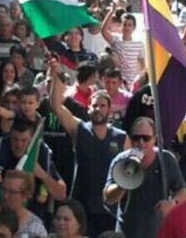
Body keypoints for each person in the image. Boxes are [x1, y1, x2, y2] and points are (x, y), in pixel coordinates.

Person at [50, 62, 130, 237]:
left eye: (102, 106)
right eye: (94, 105)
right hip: (81, 207)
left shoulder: (122, 137)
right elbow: (56, 106)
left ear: (109, 110)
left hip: (109, 207)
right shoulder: (79, 130)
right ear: (88, 107)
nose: (98, 109)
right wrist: (56, 76)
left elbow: (129, 174)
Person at [103, 117, 186, 238]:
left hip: (159, 231)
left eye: (146, 138)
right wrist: (122, 182)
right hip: (128, 231)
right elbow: (108, 198)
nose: (141, 143)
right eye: (136, 138)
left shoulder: (166, 160)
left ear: (154, 139)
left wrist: (173, 202)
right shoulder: (121, 161)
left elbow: (182, 190)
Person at [101, 3, 144, 88]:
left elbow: (142, 64)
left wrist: (140, 81)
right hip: (118, 82)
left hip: (133, 83)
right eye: (124, 24)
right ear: (121, 25)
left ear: (134, 27)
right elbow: (104, 31)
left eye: (129, 25)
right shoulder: (116, 40)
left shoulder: (139, 44)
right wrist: (111, 11)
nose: (127, 28)